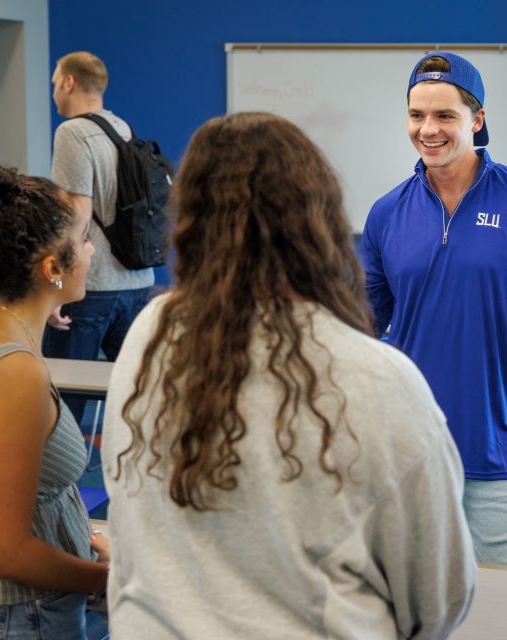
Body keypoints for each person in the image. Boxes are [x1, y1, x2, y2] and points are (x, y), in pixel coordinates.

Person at [101, 112, 475, 639]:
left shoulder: (150, 335)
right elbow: (439, 600)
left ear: (190, 218)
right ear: (316, 218)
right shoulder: (377, 378)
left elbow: (128, 516)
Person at [360, 51, 507, 568]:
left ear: (477, 119)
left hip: (501, 457)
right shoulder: (385, 215)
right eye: (417, 115)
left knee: (505, 617)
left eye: (445, 115)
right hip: (408, 457)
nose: (429, 130)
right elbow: (363, 330)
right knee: (408, 617)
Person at [0, 157, 109, 639]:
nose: (90, 252)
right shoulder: (13, 373)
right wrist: (110, 580)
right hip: (20, 617)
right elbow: (6, 553)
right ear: (52, 268)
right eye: (84, 241)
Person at [44, 51, 154, 420]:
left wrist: (56, 288)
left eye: (55, 82)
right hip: (138, 284)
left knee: (62, 411)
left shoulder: (72, 132)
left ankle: (59, 481)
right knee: (135, 406)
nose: (55, 91)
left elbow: (75, 213)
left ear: (70, 83)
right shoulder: (123, 130)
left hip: (91, 291)